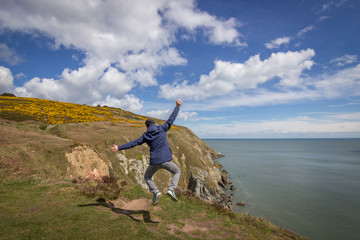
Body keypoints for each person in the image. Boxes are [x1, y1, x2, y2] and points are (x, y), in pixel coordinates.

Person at [111, 99, 183, 205]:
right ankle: (171, 189)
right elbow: (171, 119)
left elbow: (133, 143)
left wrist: (119, 148)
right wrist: (177, 107)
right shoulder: (162, 129)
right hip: (166, 160)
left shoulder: (145, 136)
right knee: (177, 171)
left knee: (147, 177)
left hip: (154, 162)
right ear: (154, 124)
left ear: (147, 127)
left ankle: (156, 192)